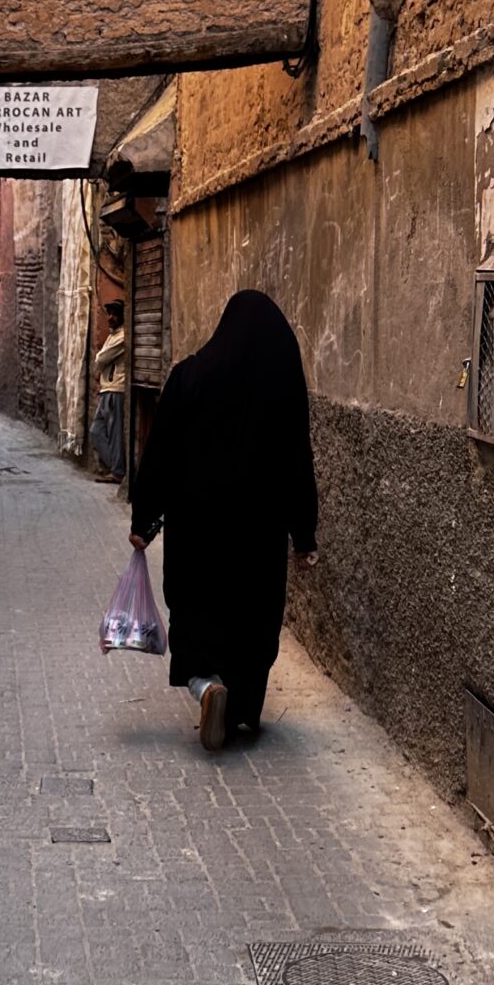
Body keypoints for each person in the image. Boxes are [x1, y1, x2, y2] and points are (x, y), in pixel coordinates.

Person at [128, 287, 318, 752]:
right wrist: (304, 534)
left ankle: (206, 686)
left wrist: (144, 518)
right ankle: (239, 708)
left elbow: (160, 452)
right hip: (258, 538)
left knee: (198, 623)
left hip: (197, 536)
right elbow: (297, 460)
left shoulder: (189, 376)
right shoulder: (281, 388)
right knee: (252, 625)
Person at [90, 298, 127, 479]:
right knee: (96, 431)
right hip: (107, 389)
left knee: (114, 433)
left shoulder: (122, 337)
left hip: (115, 389)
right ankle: (116, 467)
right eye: (109, 314)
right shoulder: (113, 336)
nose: (110, 318)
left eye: (115, 314)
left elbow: (100, 359)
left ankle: (118, 471)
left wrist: (100, 362)